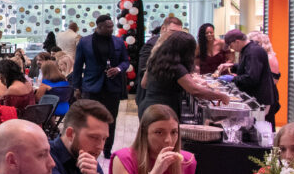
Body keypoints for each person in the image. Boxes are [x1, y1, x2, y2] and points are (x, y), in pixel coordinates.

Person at [109, 105, 195, 174]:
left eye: (174, 132)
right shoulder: (124, 159)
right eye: (159, 132)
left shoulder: (187, 161)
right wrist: (156, 172)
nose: (168, 140)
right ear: (145, 133)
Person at [71, 14, 130, 157]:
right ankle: (88, 148)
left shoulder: (118, 42)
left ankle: (108, 150)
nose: (111, 29)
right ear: (99, 27)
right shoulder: (84, 42)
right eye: (108, 27)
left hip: (112, 87)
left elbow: (125, 61)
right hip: (91, 86)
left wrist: (118, 69)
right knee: (89, 119)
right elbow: (78, 66)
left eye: (112, 26)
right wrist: (76, 87)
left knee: (111, 119)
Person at [140, 31, 229, 118]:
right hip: (163, 111)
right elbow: (195, 90)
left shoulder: (156, 60)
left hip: (147, 107)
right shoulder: (176, 67)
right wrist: (220, 96)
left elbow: (144, 84)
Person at [219, 30, 279, 125]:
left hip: (260, 100)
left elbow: (252, 78)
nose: (232, 49)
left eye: (231, 46)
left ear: (237, 41)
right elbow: (248, 67)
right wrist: (232, 66)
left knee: (259, 128)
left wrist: (233, 79)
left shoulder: (253, 52)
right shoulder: (249, 49)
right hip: (256, 97)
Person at [136, 16, 183, 107]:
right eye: (172, 31)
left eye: (178, 33)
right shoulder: (150, 45)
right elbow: (143, 70)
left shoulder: (175, 44)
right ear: (163, 29)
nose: (176, 36)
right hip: (150, 96)